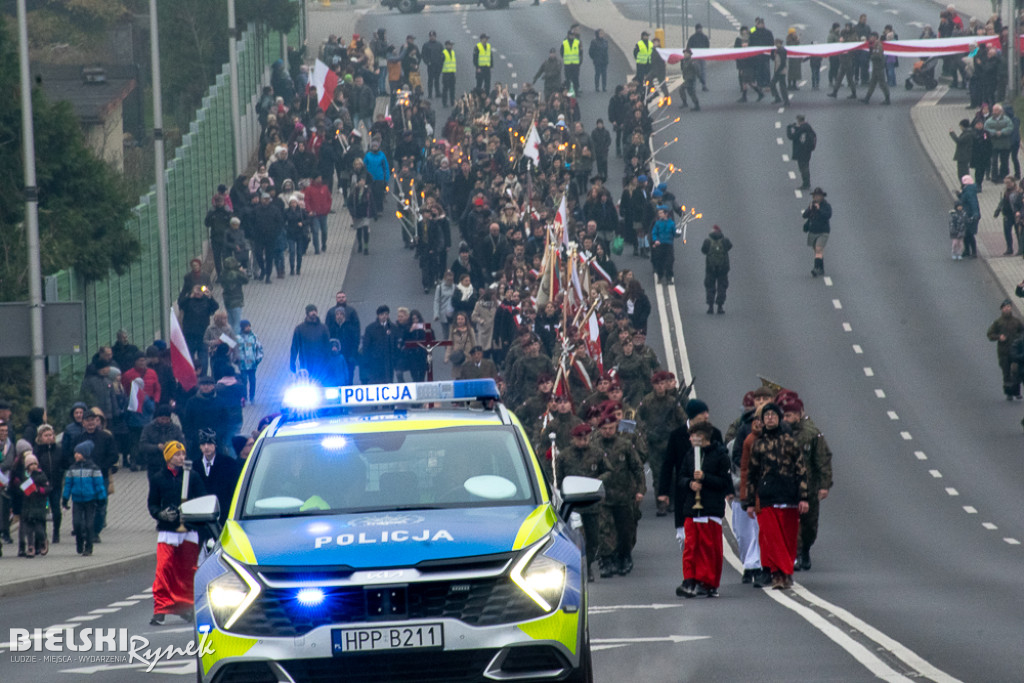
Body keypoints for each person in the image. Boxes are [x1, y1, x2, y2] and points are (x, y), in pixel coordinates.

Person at [662, 422, 732, 598]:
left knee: (709, 548)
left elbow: (724, 483)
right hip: (692, 509)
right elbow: (681, 477)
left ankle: (707, 582)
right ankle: (689, 579)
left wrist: (705, 478)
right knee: (691, 546)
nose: (691, 439)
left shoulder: (720, 456)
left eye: (694, 436)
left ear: (704, 437)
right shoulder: (689, 456)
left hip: (710, 509)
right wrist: (689, 483)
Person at [745, 402, 808, 590]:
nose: (770, 418)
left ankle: (786, 572)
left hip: (788, 497)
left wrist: (803, 497)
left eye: (773, 415)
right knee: (772, 538)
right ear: (762, 420)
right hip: (767, 497)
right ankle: (777, 574)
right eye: (766, 415)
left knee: (788, 539)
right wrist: (749, 502)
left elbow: (801, 471)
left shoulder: (790, 442)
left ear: (779, 418)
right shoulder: (758, 444)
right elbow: (752, 474)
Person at [148, 441, 206, 625]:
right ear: (169, 457)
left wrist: (192, 514)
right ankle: (160, 609)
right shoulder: (158, 478)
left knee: (187, 571)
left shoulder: (193, 476)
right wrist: (161, 514)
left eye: (183, 454)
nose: (181, 458)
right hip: (168, 531)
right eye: (177, 454)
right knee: (164, 569)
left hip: (189, 531)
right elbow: (153, 504)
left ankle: (186, 606)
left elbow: (201, 498)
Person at [778, 394, 833, 572]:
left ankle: (805, 549)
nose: (786, 419)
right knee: (792, 523)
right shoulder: (780, 432)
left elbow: (822, 460)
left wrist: (824, 485)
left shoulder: (811, 434)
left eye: (790, 415)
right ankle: (796, 554)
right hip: (788, 486)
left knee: (809, 525)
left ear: (799, 414)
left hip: (809, 487)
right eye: (784, 415)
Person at [593, 413, 645, 578]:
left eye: (611, 428)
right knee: (603, 530)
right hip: (602, 496)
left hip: (624, 496)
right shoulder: (594, 447)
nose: (608, 431)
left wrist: (640, 490)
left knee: (625, 531)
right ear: (600, 429)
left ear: (615, 427)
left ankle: (624, 557)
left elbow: (637, 468)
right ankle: (606, 561)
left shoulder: (625, 445)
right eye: (604, 428)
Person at [637, 371, 686, 516]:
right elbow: (638, 419)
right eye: (657, 384)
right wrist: (648, 432)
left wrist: (678, 435)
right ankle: (662, 504)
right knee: (658, 475)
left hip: (671, 444)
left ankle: (674, 501)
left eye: (663, 383)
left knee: (674, 473)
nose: (660, 386)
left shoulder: (672, 402)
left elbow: (682, 420)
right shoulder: (647, 401)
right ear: (653, 385)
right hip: (654, 445)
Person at [61, 440, 107, 557]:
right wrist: (65, 498)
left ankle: (89, 546)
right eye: (75, 453)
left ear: (85, 454)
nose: (76, 455)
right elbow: (68, 485)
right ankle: (79, 541)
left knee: (89, 524)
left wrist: (101, 498)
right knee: (76, 523)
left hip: (90, 500)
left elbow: (99, 484)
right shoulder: (72, 469)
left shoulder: (94, 468)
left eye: (79, 453)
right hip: (77, 500)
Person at [193, 429, 241, 527]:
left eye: (210, 443)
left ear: (215, 445)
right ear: (199, 446)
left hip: (224, 513)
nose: (206, 447)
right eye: (203, 444)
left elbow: (234, 489)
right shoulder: (194, 466)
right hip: (201, 516)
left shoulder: (229, 464)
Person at [33, 425, 65, 544]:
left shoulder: (59, 449)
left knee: (56, 509)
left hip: (56, 485)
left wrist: (61, 472)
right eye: (46, 435)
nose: (49, 438)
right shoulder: (37, 451)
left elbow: (65, 463)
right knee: (43, 509)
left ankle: (56, 532)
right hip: (42, 486)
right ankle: (43, 533)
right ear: (40, 437)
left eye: (51, 435)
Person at [986, 299, 1024, 400]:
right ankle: (1009, 393)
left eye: (1009, 307)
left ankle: (1017, 392)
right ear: (1002, 309)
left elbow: (1022, 332)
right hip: (1004, 352)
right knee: (1006, 372)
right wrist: (999, 337)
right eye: (1005, 307)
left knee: (1016, 372)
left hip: (1015, 352)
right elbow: (990, 334)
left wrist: (1019, 340)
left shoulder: (1016, 322)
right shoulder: (998, 322)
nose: (1007, 309)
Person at [139, 404, 186, 476]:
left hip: (172, 465)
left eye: (167, 419)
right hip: (154, 465)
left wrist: (173, 447)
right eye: (162, 419)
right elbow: (142, 446)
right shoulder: (148, 428)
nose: (164, 421)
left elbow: (183, 444)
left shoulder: (175, 429)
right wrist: (157, 447)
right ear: (157, 418)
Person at [290, 304, 332, 383]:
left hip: (321, 363)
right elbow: (294, 347)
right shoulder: (300, 329)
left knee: (321, 383)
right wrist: (292, 362)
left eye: (315, 311)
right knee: (307, 384)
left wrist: (328, 361)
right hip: (306, 362)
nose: (313, 313)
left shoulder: (323, 328)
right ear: (307, 313)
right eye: (311, 311)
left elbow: (327, 346)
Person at [361, 305, 402, 384]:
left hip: (388, 362)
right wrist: (367, 361)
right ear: (378, 315)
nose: (384, 316)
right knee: (375, 383)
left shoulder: (393, 328)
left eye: (386, 314)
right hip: (375, 362)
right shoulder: (370, 328)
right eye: (382, 314)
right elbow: (366, 346)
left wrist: (395, 359)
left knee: (388, 383)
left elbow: (396, 345)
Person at [701, 225, 732, 314]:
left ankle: (710, 306)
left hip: (710, 267)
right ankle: (720, 306)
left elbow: (703, 250)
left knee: (710, 286)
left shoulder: (708, 241)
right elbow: (729, 247)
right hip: (723, 267)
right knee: (722, 286)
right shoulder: (725, 241)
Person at [802, 187, 833, 277]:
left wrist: (819, 209)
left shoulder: (826, 206)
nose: (816, 197)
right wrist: (810, 209)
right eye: (815, 196)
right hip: (813, 231)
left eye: (818, 196)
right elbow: (804, 215)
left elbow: (827, 215)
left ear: (822, 197)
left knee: (819, 248)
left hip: (823, 231)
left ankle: (816, 268)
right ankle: (821, 268)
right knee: (816, 251)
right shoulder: (812, 205)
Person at [786, 114, 816, 190]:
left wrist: (789, 128)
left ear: (799, 120)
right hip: (807, 150)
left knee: (803, 167)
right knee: (805, 165)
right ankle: (807, 182)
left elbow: (792, 137)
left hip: (801, 150)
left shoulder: (802, 128)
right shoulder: (808, 127)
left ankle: (806, 183)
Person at [993, 175, 1022, 256]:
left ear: (1013, 182)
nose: (1007, 185)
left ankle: (1020, 249)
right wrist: (998, 210)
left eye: (1009, 183)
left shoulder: (1017, 192)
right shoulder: (1004, 191)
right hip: (1007, 214)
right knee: (1007, 232)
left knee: (1018, 232)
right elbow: (1002, 202)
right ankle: (1009, 248)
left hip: (1015, 214)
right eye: (1005, 183)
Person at [237, 320, 264, 402]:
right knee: (244, 381)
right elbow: (234, 350)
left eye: (249, 326)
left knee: (253, 381)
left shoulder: (254, 337)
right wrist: (237, 360)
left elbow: (259, 348)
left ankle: (252, 396)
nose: (248, 328)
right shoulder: (238, 338)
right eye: (247, 326)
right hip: (243, 364)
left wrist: (258, 359)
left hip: (252, 364)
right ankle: (244, 397)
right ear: (243, 327)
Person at [860, 33, 890, 105]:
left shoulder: (878, 46)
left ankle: (887, 99)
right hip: (875, 68)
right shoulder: (874, 45)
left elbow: (878, 56)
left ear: (875, 37)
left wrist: (871, 56)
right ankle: (867, 98)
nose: (870, 38)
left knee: (882, 84)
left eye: (871, 37)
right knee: (872, 84)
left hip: (879, 68)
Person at [650, 207, 676, 284]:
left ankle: (669, 277)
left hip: (668, 245)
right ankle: (660, 276)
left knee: (670, 261)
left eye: (661, 213)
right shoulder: (657, 223)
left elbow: (674, 234)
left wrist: (677, 232)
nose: (659, 214)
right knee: (659, 261)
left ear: (666, 214)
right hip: (660, 245)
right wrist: (656, 240)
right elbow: (654, 233)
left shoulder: (671, 223)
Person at [960, 175, 980, 258]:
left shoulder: (969, 192)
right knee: (965, 233)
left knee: (969, 233)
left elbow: (973, 203)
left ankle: (974, 252)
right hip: (966, 215)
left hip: (970, 216)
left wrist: (975, 214)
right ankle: (967, 250)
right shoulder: (967, 190)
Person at [949, 118, 974, 183]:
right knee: (963, 170)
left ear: (963, 126)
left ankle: (965, 183)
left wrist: (952, 133)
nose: (960, 128)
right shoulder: (968, 132)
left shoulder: (967, 134)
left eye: (960, 126)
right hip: (964, 155)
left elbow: (959, 141)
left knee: (962, 172)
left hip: (963, 156)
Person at [686, 24, 710, 90]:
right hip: (701, 56)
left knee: (695, 71)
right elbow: (707, 46)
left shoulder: (692, 37)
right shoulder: (704, 37)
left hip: (695, 57)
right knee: (702, 71)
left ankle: (694, 86)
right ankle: (704, 85)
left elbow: (688, 47)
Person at [560, 27, 582, 94]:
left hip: (575, 64)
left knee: (575, 78)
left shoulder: (577, 42)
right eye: (570, 35)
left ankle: (576, 90)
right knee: (568, 79)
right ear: (568, 35)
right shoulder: (564, 42)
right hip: (567, 64)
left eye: (573, 35)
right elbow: (562, 52)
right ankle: (569, 91)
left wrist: (579, 61)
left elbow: (580, 52)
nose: (572, 36)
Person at [769, 38, 789, 106]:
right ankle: (781, 99)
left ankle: (784, 100)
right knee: (778, 85)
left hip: (781, 71)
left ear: (779, 43)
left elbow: (783, 62)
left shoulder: (782, 51)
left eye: (776, 43)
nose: (775, 45)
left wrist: (777, 71)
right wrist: (772, 52)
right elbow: (773, 59)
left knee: (781, 86)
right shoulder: (778, 50)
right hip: (779, 70)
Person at [441, 40, 457, 108]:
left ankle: (452, 101)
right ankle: (444, 102)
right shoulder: (443, 53)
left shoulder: (453, 52)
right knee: (445, 89)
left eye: (451, 45)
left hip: (452, 73)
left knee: (452, 89)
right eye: (450, 45)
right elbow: (440, 62)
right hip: (446, 73)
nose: (451, 46)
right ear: (446, 45)